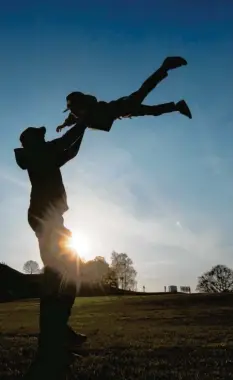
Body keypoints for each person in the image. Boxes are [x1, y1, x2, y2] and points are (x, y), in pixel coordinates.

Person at [14, 124, 88, 379]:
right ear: (33, 141)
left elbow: (69, 151)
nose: (46, 138)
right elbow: (66, 143)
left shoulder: (42, 152)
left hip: (50, 219)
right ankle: (55, 339)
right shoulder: (39, 153)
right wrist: (85, 121)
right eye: (41, 136)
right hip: (46, 219)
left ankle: (57, 335)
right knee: (61, 277)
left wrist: (85, 127)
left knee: (64, 276)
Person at [56, 56, 192, 133]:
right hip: (124, 112)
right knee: (152, 110)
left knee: (144, 91)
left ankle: (165, 66)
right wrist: (63, 125)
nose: (74, 113)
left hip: (122, 106)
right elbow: (72, 118)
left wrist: (67, 123)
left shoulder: (88, 109)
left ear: (81, 104)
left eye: (74, 109)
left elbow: (76, 116)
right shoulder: (79, 114)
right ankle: (177, 107)